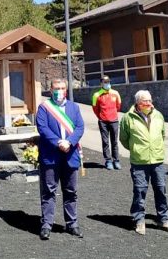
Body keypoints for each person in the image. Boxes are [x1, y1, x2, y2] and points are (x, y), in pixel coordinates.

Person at [120, 89, 168, 235]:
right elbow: (124, 139)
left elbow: (162, 134)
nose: (149, 103)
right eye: (145, 101)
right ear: (138, 102)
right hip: (139, 161)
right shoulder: (128, 118)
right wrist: (136, 149)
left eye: (150, 100)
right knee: (140, 191)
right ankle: (139, 220)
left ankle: (163, 219)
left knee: (161, 190)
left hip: (157, 160)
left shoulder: (158, 115)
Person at [36, 78, 85, 240]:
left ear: (66, 89)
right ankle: (46, 225)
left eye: (63, 88)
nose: (60, 91)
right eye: (57, 88)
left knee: (71, 191)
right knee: (49, 191)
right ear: (51, 89)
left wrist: (69, 142)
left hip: (70, 155)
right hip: (51, 156)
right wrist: (58, 142)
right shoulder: (44, 108)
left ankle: (72, 224)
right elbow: (43, 128)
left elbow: (80, 127)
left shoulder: (74, 107)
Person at [91, 75, 122, 170]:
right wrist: (101, 117)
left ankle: (116, 160)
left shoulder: (115, 93)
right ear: (101, 83)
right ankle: (108, 160)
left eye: (108, 82)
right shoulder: (96, 95)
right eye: (105, 82)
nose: (107, 84)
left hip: (114, 120)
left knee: (115, 141)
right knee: (105, 142)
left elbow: (118, 106)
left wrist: (112, 114)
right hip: (103, 121)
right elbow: (95, 108)